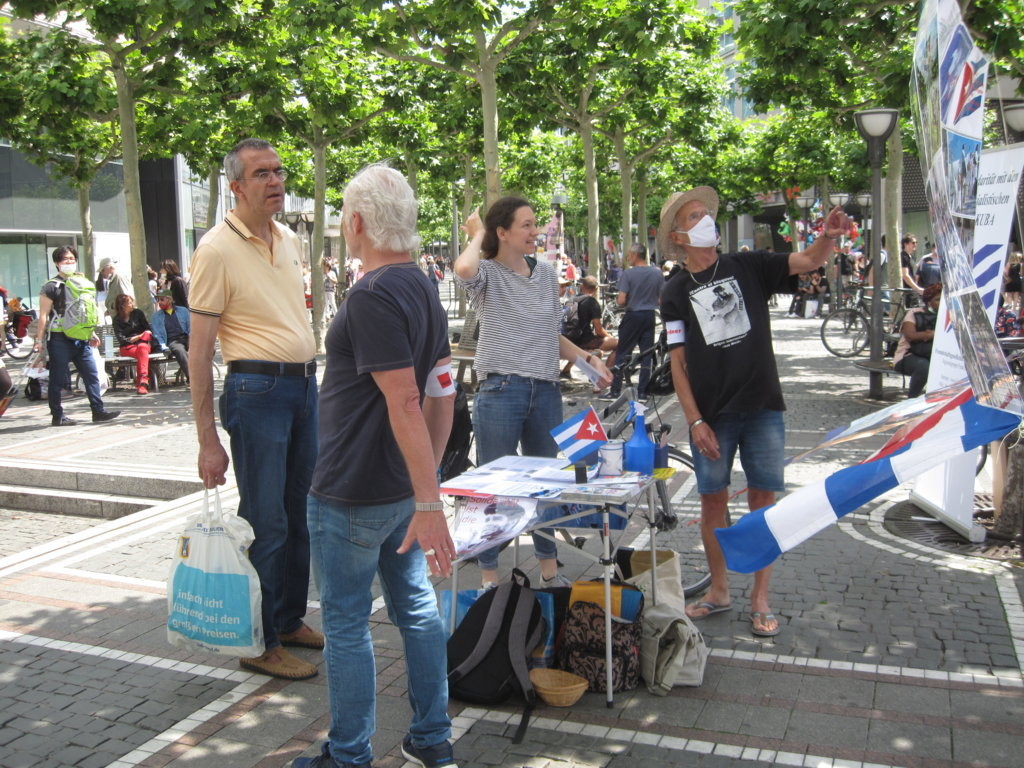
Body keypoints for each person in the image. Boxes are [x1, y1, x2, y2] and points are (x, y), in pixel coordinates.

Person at [300, 164, 457, 768]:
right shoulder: (420, 284)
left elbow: (407, 398)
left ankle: (348, 754)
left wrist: (429, 499)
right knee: (415, 609)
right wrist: (427, 482)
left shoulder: (371, 294)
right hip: (396, 490)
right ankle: (431, 736)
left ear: (356, 222)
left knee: (344, 623)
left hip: (352, 490)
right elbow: (441, 389)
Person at [659, 185, 853, 637]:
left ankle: (761, 597)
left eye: (707, 211)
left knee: (764, 503)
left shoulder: (747, 265)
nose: (706, 217)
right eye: (694, 215)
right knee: (713, 505)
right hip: (713, 416)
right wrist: (695, 420)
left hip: (764, 407)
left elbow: (805, 262)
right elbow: (678, 362)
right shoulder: (674, 291)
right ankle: (719, 590)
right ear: (678, 236)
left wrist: (828, 236)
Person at [188, 138, 321, 680]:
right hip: (257, 393)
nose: (275, 181)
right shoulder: (216, 249)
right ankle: (258, 641)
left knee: (297, 515)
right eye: (261, 174)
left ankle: (287, 620)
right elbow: (198, 353)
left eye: (279, 171)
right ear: (235, 186)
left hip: (303, 390)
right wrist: (206, 440)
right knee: (266, 520)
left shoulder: (287, 237)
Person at [454, 196, 611, 589]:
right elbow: (463, 267)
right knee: (493, 488)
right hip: (501, 388)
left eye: (535, 223)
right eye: (525, 225)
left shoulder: (544, 274)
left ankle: (549, 571)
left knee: (546, 486)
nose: (534, 231)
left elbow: (550, 335)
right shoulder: (486, 273)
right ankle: (490, 577)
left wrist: (587, 361)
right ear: (502, 232)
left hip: (545, 390)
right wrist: (478, 234)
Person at [32, 246, 120, 427]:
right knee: (57, 378)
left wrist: (91, 332)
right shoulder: (50, 286)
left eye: (72, 259)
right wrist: (38, 341)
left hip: (81, 338)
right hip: (59, 338)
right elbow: (43, 315)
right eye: (65, 260)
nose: (69, 262)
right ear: (57, 263)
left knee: (91, 374)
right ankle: (58, 415)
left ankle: (98, 411)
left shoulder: (80, 283)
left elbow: (84, 312)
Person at [608, 242, 663, 400]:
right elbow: (661, 299)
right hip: (649, 316)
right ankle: (643, 391)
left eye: (628, 256)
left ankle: (615, 389)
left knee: (623, 352)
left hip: (633, 315)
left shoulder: (628, 274)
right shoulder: (657, 273)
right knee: (647, 354)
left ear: (634, 255)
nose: (627, 258)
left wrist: (630, 301)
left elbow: (620, 300)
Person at [561, 275, 617, 384]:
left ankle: (566, 371)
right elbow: (599, 330)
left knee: (595, 351)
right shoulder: (592, 302)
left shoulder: (571, 300)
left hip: (569, 339)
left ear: (582, 286)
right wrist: (610, 337)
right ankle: (604, 374)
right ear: (596, 289)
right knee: (619, 344)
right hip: (585, 340)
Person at [893, 283, 942, 397]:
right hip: (908, 355)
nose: (942, 302)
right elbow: (910, 335)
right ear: (929, 301)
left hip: (935, 355)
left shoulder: (947, 314)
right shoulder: (914, 313)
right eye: (938, 299)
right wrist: (931, 334)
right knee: (924, 367)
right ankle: (912, 399)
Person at [112, 293, 155, 395]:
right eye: (130, 303)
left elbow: (147, 329)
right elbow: (122, 340)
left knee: (142, 348)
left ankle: (142, 383)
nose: (132, 304)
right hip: (127, 347)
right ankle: (142, 383)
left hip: (142, 344)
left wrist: (142, 336)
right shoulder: (117, 320)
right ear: (122, 305)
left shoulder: (138, 313)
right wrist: (138, 336)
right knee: (142, 352)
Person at [150, 289, 191, 386]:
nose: (159, 302)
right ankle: (191, 378)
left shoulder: (183, 311)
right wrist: (163, 346)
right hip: (173, 341)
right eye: (158, 300)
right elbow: (157, 334)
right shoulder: (156, 316)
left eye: (162, 299)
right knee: (179, 350)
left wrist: (192, 340)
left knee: (208, 348)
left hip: (186, 337)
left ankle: (201, 374)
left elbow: (190, 327)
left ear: (170, 300)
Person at [322, 257, 339, 322]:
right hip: (324, 290)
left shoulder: (332, 273)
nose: (325, 267)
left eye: (326, 266)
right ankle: (327, 316)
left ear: (328, 267)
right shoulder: (322, 274)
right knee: (325, 304)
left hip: (331, 290)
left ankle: (336, 316)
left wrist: (329, 277)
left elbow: (336, 281)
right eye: (324, 266)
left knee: (332, 303)